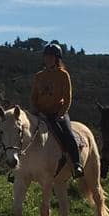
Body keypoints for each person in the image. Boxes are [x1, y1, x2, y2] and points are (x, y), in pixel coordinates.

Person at [31, 43, 82, 177]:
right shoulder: (39, 76)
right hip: (41, 113)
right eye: (46, 56)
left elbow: (67, 97)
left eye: (51, 57)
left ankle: (76, 164)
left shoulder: (63, 75)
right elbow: (34, 96)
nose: (48, 59)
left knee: (68, 134)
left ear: (57, 58)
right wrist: (36, 110)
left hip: (57, 113)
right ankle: (20, 168)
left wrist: (61, 113)